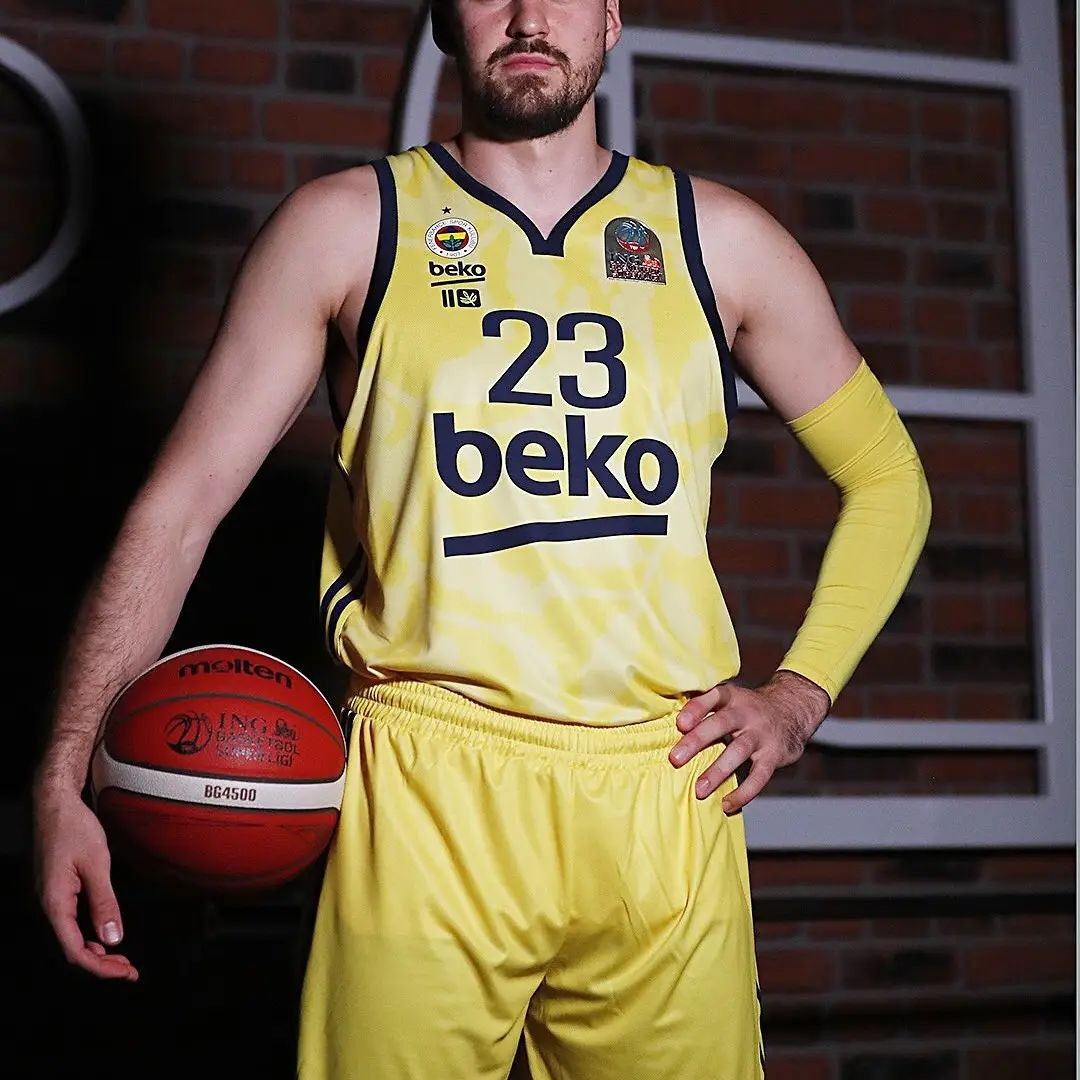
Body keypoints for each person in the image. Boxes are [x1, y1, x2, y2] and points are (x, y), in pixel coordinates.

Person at [31, 1, 932, 1077]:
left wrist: (799, 695)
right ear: (442, 19)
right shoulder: (346, 227)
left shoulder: (720, 240)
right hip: (427, 789)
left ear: (610, 17)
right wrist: (61, 777)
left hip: (664, 785)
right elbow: (178, 510)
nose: (528, 14)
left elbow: (889, 479)